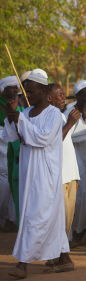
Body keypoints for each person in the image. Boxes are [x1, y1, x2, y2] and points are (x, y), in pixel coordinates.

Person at [3, 69, 74, 278]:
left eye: (32, 92)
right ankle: (64, 259)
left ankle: (23, 263)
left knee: (35, 216)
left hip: (45, 175)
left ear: (44, 91)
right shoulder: (25, 113)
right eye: (26, 92)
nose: (28, 96)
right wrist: (11, 118)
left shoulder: (54, 114)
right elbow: (12, 137)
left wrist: (21, 122)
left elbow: (42, 139)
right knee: (48, 217)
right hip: (28, 173)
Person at [47, 84, 81, 248]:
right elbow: (53, 142)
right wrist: (70, 123)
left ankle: (60, 253)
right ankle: (57, 254)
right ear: (49, 98)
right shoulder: (49, 117)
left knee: (68, 220)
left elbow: (68, 148)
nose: (63, 98)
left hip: (70, 175)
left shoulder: (61, 116)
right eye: (59, 95)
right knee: (60, 219)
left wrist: (75, 175)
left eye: (63, 95)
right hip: (59, 177)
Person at [65, 80, 86, 242]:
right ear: (77, 96)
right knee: (80, 196)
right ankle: (76, 230)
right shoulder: (68, 114)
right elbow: (67, 135)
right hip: (76, 160)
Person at [0, 76, 21, 231]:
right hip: (3, 144)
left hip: (16, 146)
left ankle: (11, 219)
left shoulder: (19, 104)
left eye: (16, 87)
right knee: (5, 180)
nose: (14, 90)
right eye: (10, 88)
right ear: (3, 90)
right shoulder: (3, 106)